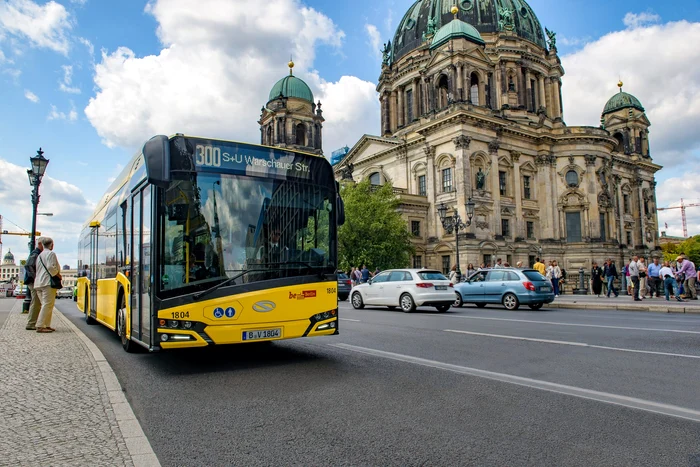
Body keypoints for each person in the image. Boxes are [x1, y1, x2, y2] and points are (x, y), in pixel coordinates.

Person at [34, 237, 61, 333]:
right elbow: (50, 267)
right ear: (51, 245)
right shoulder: (51, 253)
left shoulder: (40, 255)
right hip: (47, 282)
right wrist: (58, 275)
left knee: (46, 305)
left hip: (38, 283)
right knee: (48, 304)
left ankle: (46, 324)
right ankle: (40, 325)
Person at [24, 239, 45, 330]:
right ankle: (31, 323)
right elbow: (28, 265)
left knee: (37, 302)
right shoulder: (36, 253)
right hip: (33, 282)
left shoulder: (37, 253)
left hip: (32, 281)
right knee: (36, 302)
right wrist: (35, 278)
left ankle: (33, 322)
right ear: (40, 244)